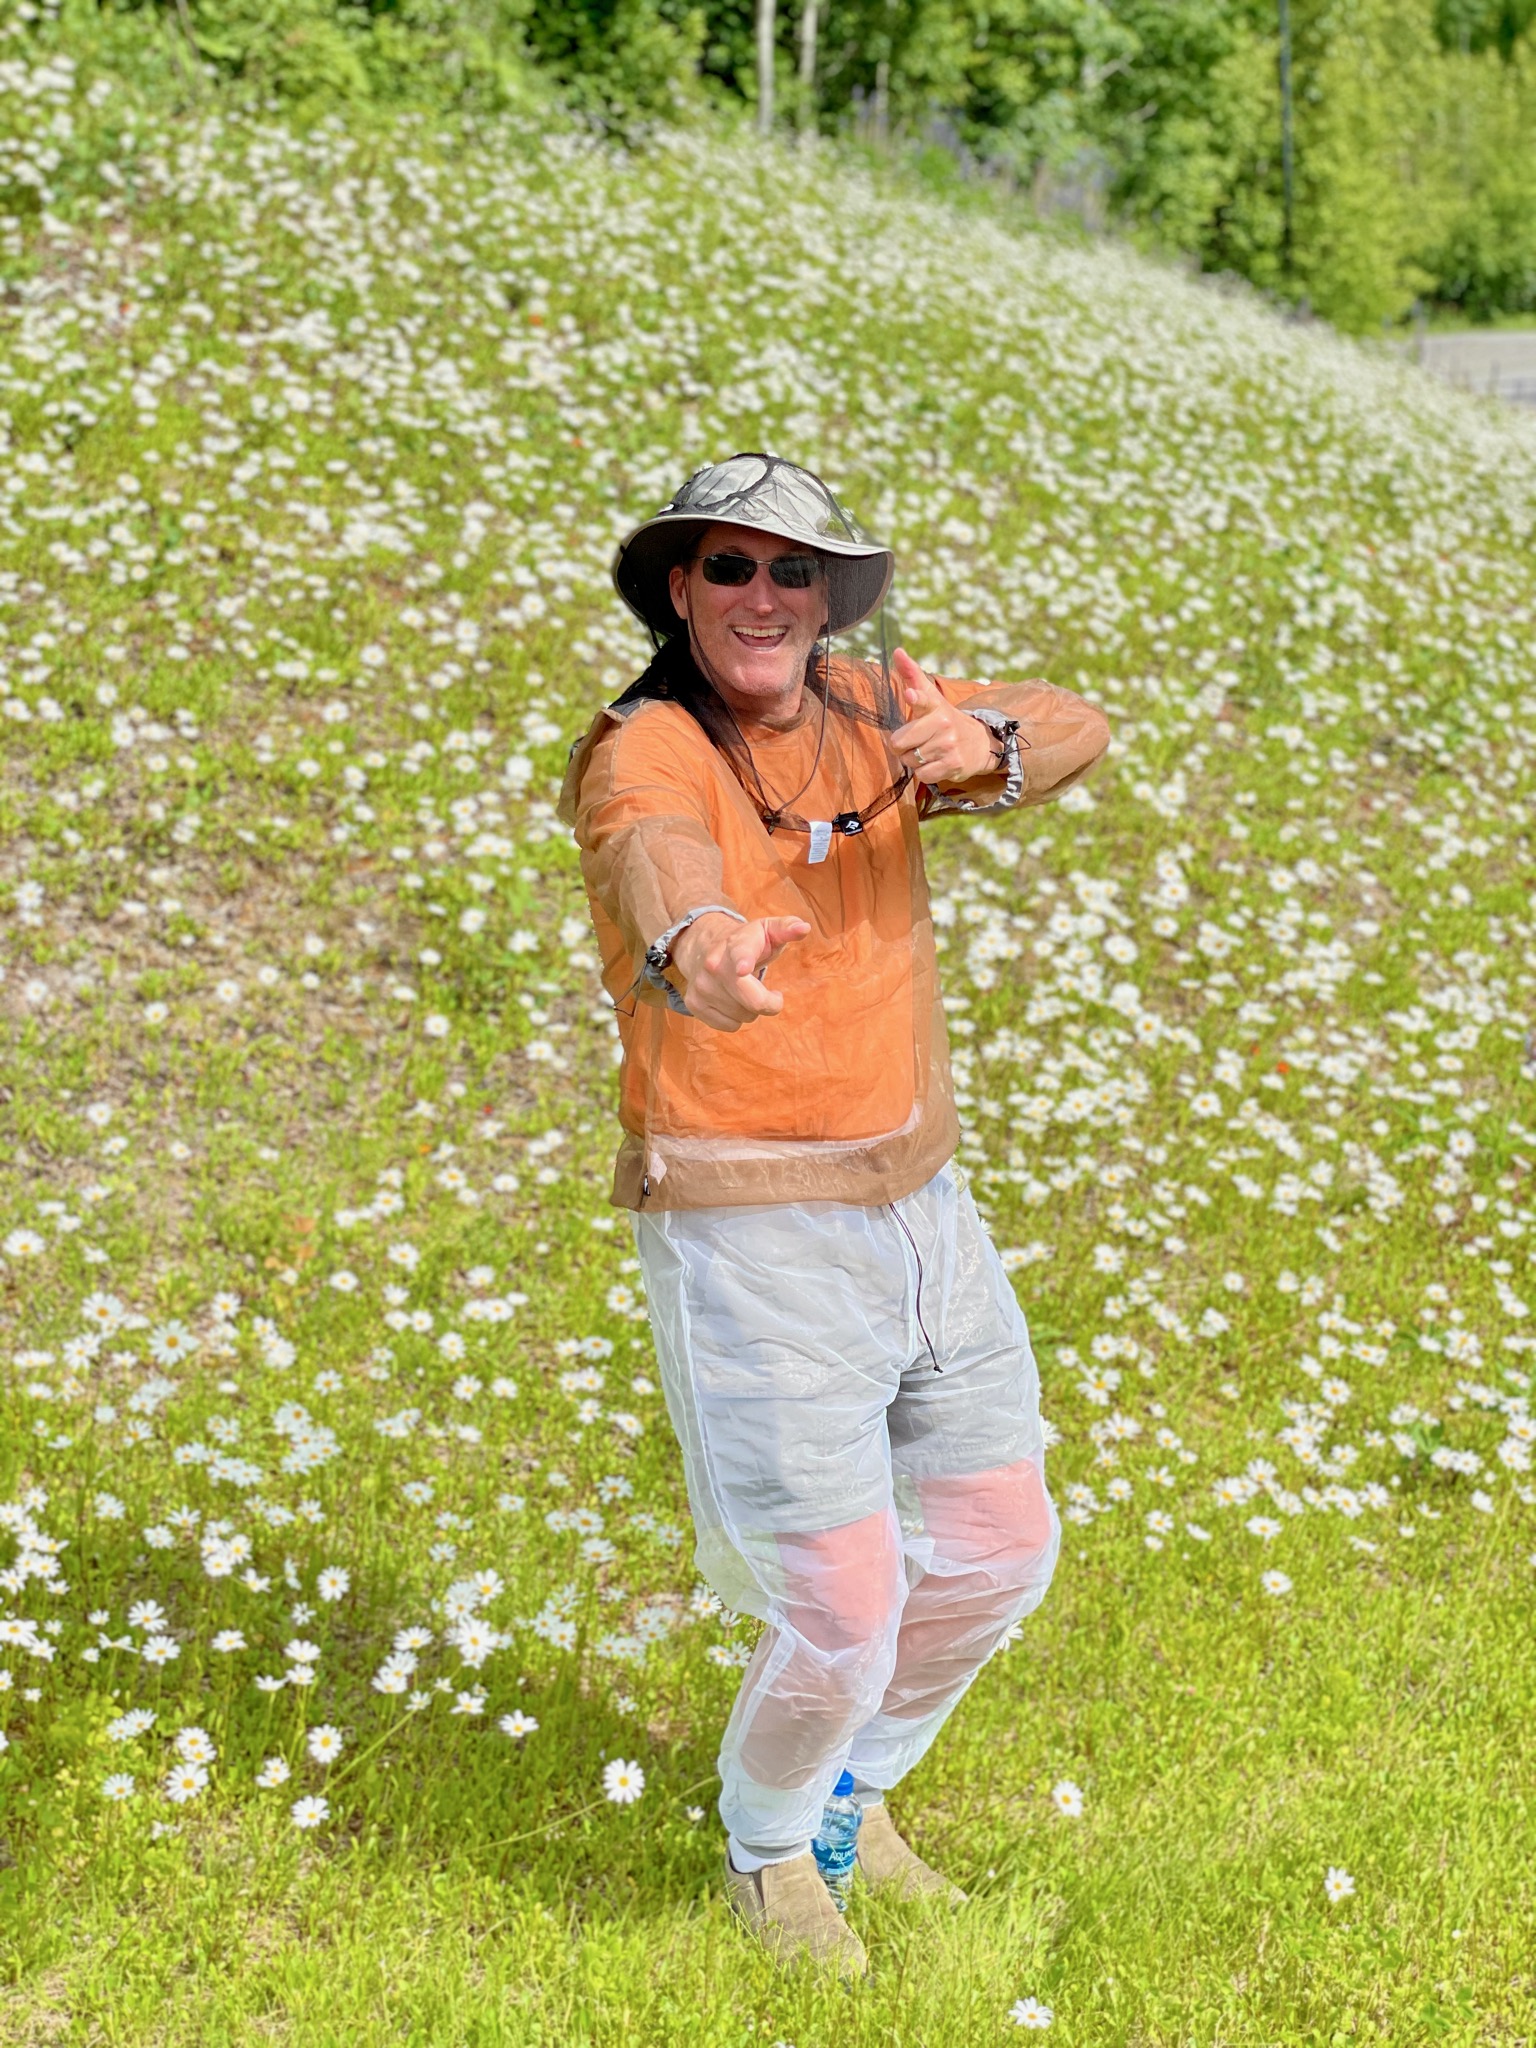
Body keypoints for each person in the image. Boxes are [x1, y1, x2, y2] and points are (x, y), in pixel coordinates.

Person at [559, 453, 1111, 1977]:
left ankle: (852, 1800)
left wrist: (985, 738)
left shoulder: (875, 707)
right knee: (847, 1601)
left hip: (923, 1201)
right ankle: (764, 1850)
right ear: (679, 590)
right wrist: (709, 939)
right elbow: (646, 856)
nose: (761, 597)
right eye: (727, 568)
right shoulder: (646, 746)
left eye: (792, 571)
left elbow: (1079, 730)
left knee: (1003, 1547)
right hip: (752, 1224)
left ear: (828, 599)